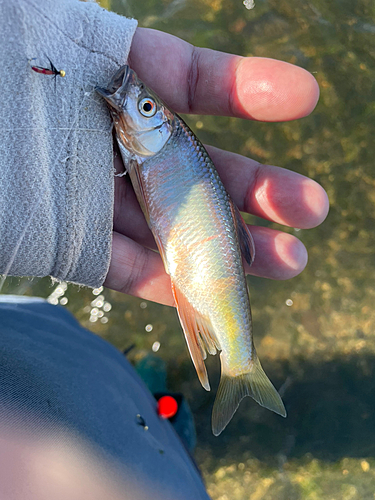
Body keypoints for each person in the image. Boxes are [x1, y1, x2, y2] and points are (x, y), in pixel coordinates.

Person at [0, 0, 329, 498]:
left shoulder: (155, 147)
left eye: (147, 108)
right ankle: (176, 403)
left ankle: (231, 370)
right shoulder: (148, 144)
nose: (139, 105)